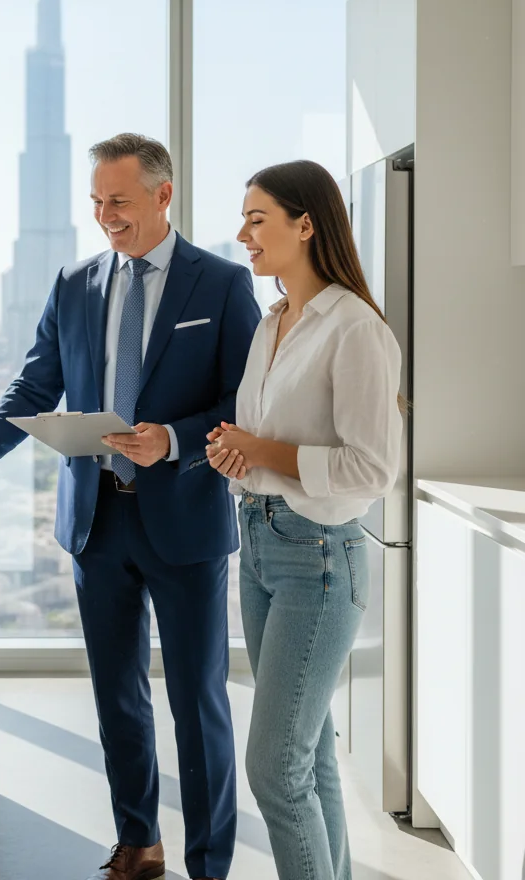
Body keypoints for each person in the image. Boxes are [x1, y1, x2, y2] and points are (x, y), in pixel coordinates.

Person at [0, 133, 262, 880]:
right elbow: (35, 387)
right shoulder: (74, 282)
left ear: (164, 196)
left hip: (185, 522)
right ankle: (139, 843)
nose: (105, 216)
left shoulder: (222, 285)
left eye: (119, 202)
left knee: (197, 707)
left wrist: (172, 439)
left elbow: (245, 402)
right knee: (117, 700)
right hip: (96, 522)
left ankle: (209, 864)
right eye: (96, 202)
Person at [205, 159, 402, 880]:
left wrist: (264, 450)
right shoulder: (274, 322)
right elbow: (270, 445)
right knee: (309, 754)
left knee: (274, 768)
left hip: (318, 556)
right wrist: (240, 456)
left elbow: (373, 469)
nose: (242, 234)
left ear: (306, 224)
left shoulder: (355, 330)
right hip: (259, 544)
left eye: (258, 219)